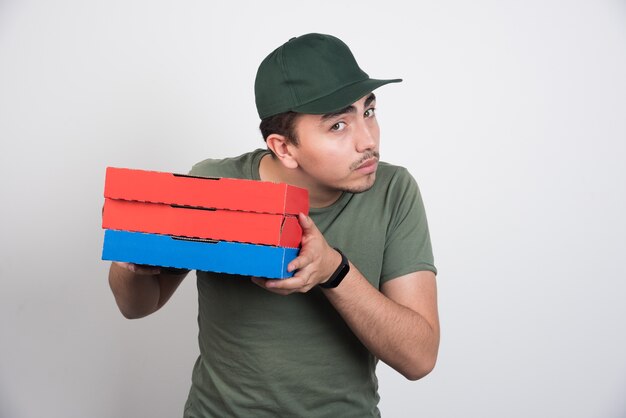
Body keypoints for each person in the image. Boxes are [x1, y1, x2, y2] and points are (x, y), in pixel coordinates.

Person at [108, 33, 439, 417]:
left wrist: (333, 271)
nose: (367, 141)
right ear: (284, 147)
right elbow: (137, 306)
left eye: (368, 111)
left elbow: (419, 358)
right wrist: (131, 258)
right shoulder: (216, 184)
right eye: (338, 126)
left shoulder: (393, 191)